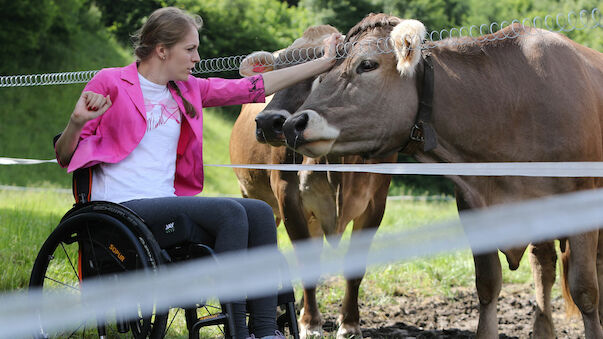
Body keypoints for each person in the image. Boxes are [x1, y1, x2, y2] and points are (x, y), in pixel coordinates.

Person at [54, 6, 342, 339]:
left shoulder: (187, 90)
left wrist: (323, 63)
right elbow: (65, 156)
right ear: (162, 50)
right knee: (230, 213)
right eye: (190, 49)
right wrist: (76, 123)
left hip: (163, 207)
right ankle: (237, 331)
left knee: (262, 213)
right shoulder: (110, 82)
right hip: (119, 210)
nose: (197, 56)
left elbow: (254, 87)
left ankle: (264, 330)